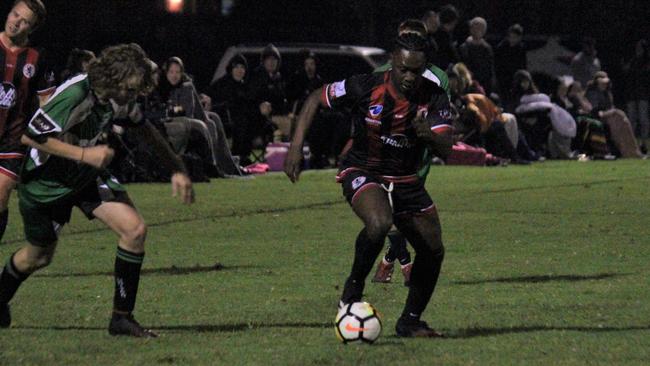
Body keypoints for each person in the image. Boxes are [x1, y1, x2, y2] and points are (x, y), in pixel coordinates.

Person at [0, 43, 195, 337]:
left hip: (84, 177)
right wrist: (84, 155)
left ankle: (121, 318)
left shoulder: (119, 96)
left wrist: (177, 168)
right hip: (46, 183)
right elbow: (31, 136)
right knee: (37, 257)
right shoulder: (76, 93)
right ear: (115, 77)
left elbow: (144, 129)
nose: (131, 98)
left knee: (134, 230)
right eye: (129, 90)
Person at [285, 33, 454, 337]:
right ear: (393, 61)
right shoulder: (366, 86)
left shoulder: (435, 97)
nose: (408, 76)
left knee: (433, 249)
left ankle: (410, 321)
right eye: (403, 68)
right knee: (379, 222)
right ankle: (352, 292)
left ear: (425, 67)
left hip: (405, 178)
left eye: (416, 70)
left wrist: (427, 133)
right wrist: (295, 147)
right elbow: (315, 98)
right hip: (362, 168)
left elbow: (446, 147)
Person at [0, 0, 55, 246]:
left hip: (13, 141)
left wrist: (47, 137)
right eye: (15, 15)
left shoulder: (36, 58)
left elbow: (47, 102)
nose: (16, 22)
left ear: (31, 29)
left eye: (24, 22)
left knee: (0, 194)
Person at [459, 17, 496, 94]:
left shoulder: (487, 48)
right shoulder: (464, 47)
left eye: (480, 28)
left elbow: (490, 67)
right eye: (475, 27)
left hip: (485, 84)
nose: (477, 30)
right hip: (469, 83)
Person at [495, 24, 527, 96]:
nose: (513, 39)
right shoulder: (501, 47)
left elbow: (523, 63)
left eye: (515, 37)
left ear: (520, 38)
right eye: (511, 37)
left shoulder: (521, 48)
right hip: (504, 77)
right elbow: (497, 64)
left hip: (516, 76)